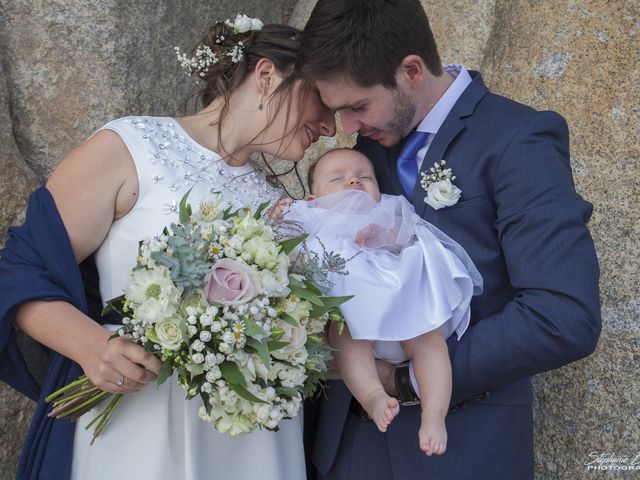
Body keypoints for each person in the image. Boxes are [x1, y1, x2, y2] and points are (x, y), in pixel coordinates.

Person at [0, 17, 335, 480]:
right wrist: (92, 345)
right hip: (139, 422)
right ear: (267, 75)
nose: (332, 124)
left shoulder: (282, 209)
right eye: (323, 97)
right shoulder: (131, 147)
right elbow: (19, 268)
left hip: (254, 443)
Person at [296, 1, 601, 479]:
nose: (346, 128)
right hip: (344, 447)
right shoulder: (366, 149)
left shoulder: (518, 138)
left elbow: (562, 315)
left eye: (356, 107)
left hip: (462, 448)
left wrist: (405, 379)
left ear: (412, 70)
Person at [288, 148, 482, 456]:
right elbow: (289, 248)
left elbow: (410, 235)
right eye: (338, 179)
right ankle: (373, 395)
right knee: (346, 339)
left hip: (401, 297)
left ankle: (434, 415)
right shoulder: (310, 217)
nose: (354, 182)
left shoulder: (390, 209)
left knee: (429, 342)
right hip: (354, 308)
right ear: (314, 201)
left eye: (365, 177)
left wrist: (385, 235)